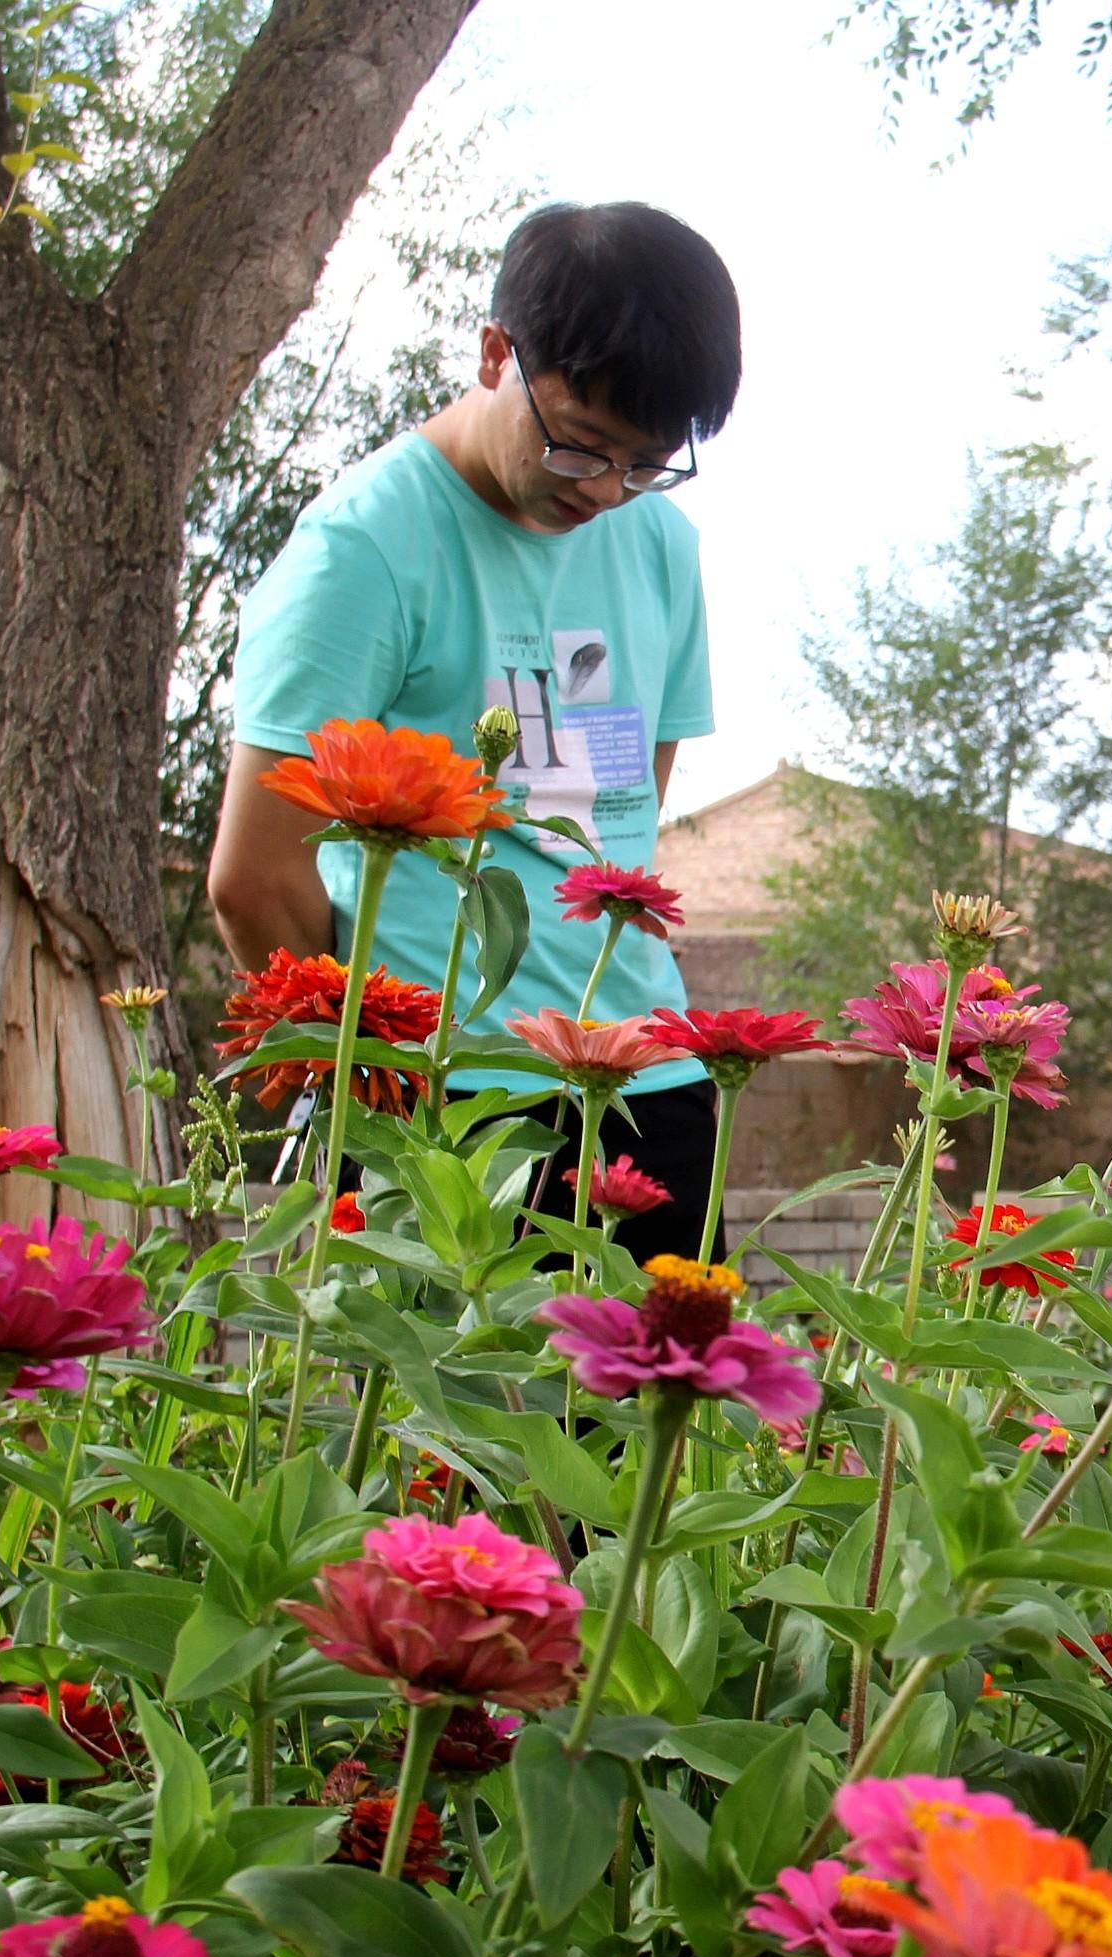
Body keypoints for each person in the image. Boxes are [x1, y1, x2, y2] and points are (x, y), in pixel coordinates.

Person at [206, 200, 741, 1265]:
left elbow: (629, 798)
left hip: (651, 1088)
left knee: (666, 1432)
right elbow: (254, 876)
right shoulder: (362, 548)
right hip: (447, 1105)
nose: (605, 491)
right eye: (582, 444)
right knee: (440, 1431)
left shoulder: (661, 543)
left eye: (645, 462)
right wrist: (368, 1082)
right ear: (497, 353)